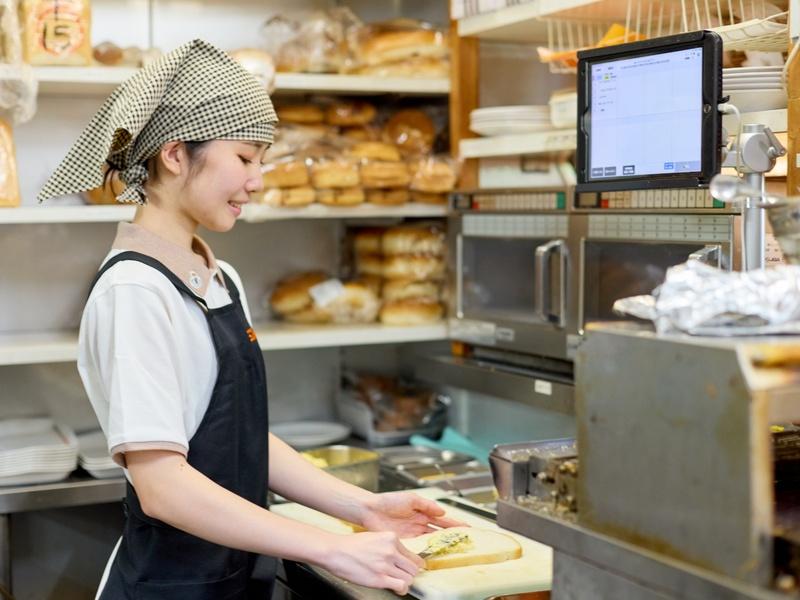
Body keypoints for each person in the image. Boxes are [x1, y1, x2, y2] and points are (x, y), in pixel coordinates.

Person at [38, 39, 461, 599]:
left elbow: (238, 440)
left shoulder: (221, 279)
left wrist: (363, 508)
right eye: (244, 158)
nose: (258, 181)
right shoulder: (134, 290)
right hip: (171, 586)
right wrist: (332, 547)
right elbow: (163, 486)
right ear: (173, 155)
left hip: (235, 578)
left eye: (262, 161)